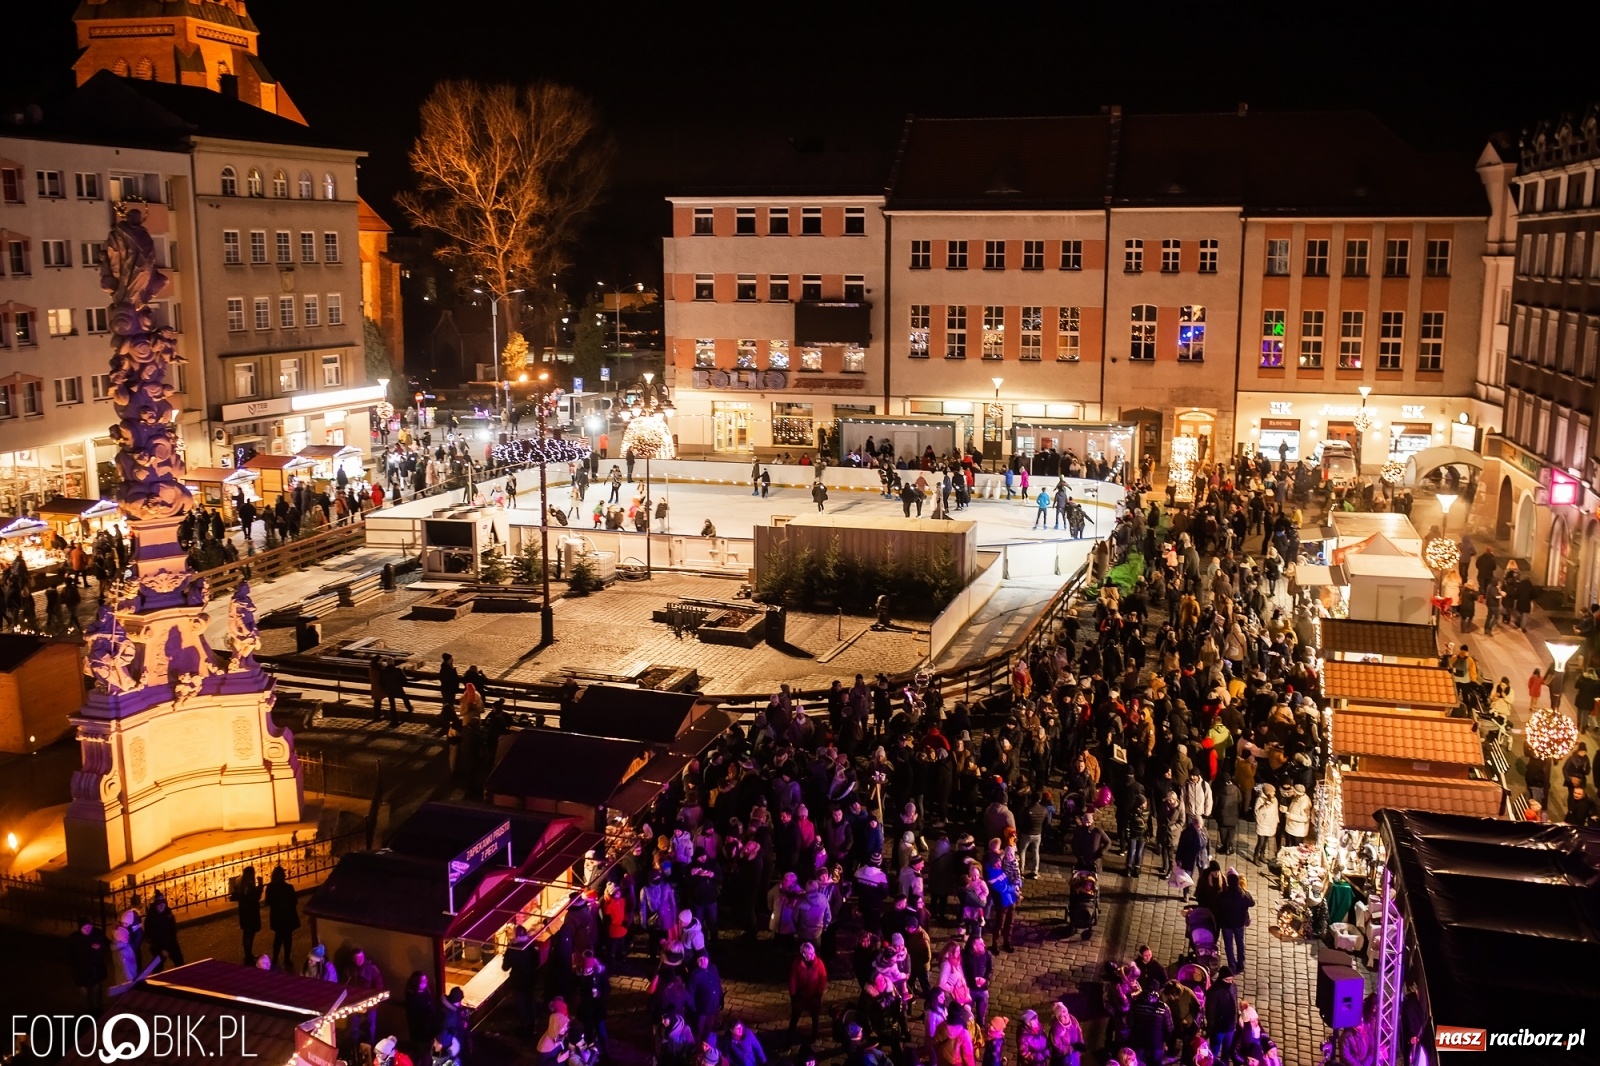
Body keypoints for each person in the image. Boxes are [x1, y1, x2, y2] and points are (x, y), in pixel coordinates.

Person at [1214, 869, 1255, 973]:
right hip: (1239, 923)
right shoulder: (1243, 894)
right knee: (1240, 942)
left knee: (1228, 945)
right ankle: (1241, 964)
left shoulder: (1222, 895)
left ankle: (1232, 965)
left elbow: (1217, 907)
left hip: (1226, 924)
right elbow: (1252, 903)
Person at [787, 940, 827, 1045]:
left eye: (812, 953)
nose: (812, 956)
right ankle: (789, 1037)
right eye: (809, 954)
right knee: (795, 1016)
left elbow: (823, 979)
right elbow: (793, 980)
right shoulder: (797, 964)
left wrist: (819, 993)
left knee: (815, 1016)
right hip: (801, 995)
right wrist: (793, 995)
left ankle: (814, 1034)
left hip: (814, 995)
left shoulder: (819, 963)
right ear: (803, 955)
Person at [346, 947, 385, 1048]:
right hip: (355, 1002)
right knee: (354, 1024)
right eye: (356, 958)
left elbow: (379, 984)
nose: (358, 961)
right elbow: (345, 985)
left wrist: (371, 997)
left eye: (360, 958)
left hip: (370, 1002)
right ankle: (354, 1045)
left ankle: (370, 1043)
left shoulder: (372, 969)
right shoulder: (349, 970)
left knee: (371, 1025)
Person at [264, 865, 300, 971]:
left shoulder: (270, 887)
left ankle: (275, 958)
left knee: (278, 938)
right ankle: (287, 958)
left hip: (277, 917)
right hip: (288, 917)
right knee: (288, 938)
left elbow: (268, 902)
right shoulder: (289, 888)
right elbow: (295, 901)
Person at [67, 919, 109, 1010]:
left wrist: (100, 946)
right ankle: (86, 1010)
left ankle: (97, 1008)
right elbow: (69, 954)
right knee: (84, 991)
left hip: (95, 969)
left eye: (89, 927)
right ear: (80, 928)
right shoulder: (74, 938)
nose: (87, 929)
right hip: (81, 970)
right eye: (84, 928)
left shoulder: (97, 934)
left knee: (96, 989)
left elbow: (106, 943)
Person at [231, 866, 263, 965]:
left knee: (246, 934)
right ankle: (248, 955)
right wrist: (261, 884)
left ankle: (248, 954)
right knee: (251, 934)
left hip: (244, 913)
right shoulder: (249, 886)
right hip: (251, 913)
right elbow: (257, 896)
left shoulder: (240, 885)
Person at [144, 890, 181, 968]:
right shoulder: (151, 918)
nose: (161, 906)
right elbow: (151, 936)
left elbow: (173, 930)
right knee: (158, 967)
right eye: (159, 904)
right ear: (155, 905)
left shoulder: (168, 914)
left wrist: (170, 945)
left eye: (163, 904)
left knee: (180, 962)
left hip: (171, 944)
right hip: (158, 947)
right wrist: (161, 949)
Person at [1252, 784, 1279, 864]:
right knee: (1260, 842)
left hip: (1271, 824)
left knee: (1265, 841)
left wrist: (1277, 820)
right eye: (1273, 792)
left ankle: (1262, 855)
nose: (1274, 793)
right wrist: (1265, 806)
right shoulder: (1260, 800)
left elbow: (1275, 811)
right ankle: (1255, 857)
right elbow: (1257, 812)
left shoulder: (1275, 800)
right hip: (1262, 824)